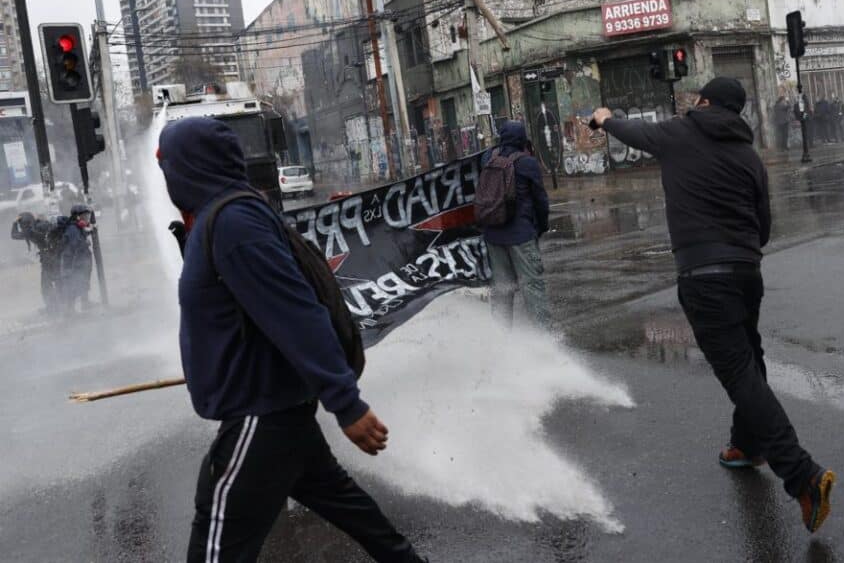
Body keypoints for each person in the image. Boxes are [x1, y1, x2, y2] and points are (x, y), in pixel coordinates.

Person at [157, 117, 424, 563]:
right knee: (356, 514)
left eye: (167, 166)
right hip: (280, 411)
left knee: (215, 536)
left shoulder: (233, 224)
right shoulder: (222, 218)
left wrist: (346, 403)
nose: (165, 177)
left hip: (261, 416)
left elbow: (297, 313)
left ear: (191, 167)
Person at [589, 77, 835, 534]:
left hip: (704, 277)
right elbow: (763, 227)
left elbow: (632, 134)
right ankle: (745, 445)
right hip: (747, 273)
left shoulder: (678, 132)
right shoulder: (749, 157)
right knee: (750, 359)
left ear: (704, 101)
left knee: (740, 372)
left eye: (695, 97)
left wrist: (604, 118)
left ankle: (803, 476)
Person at [481, 121, 552, 328]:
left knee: (502, 291)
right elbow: (541, 201)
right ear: (522, 139)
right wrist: (541, 227)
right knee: (533, 289)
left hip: (493, 237)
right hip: (521, 236)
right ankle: (545, 341)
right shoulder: (527, 163)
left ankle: (502, 341)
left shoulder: (488, 159)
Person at [10, 211, 60, 310]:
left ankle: (54, 307)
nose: (22, 227)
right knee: (53, 282)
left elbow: (14, 235)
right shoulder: (37, 226)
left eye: (22, 224)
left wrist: (14, 223)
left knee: (47, 285)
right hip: (52, 256)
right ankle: (56, 305)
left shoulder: (33, 229)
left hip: (49, 258)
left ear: (26, 223)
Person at [60, 205, 94, 313]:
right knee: (73, 284)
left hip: (79, 261)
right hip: (72, 262)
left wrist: (90, 230)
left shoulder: (78, 227)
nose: (87, 218)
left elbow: (81, 234)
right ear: (77, 217)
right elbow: (76, 243)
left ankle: (85, 303)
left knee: (83, 282)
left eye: (88, 215)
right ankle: (70, 311)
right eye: (84, 216)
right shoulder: (72, 228)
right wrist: (86, 242)